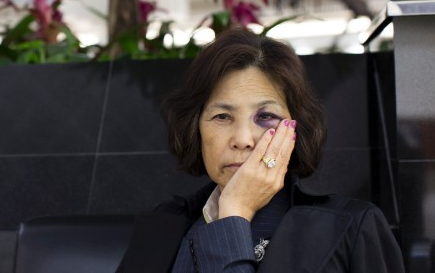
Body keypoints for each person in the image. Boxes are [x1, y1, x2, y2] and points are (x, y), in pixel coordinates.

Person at [116, 28, 404, 272]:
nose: (242, 139)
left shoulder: (350, 227)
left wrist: (234, 214)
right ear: (196, 128)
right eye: (222, 117)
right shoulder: (162, 226)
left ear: (295, 129)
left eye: (266, 117)